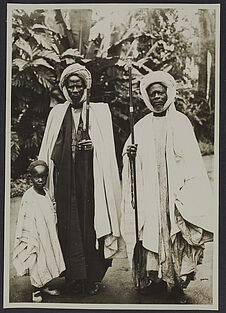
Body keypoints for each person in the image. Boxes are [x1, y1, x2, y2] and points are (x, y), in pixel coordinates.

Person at [120, 71, 214, 303]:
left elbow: (192, 161)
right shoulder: (140, 127)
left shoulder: (181, 122)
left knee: (176, 237)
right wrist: (129, 154)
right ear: (147, 97)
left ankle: (177, 286)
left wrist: (187, 191)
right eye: (153, 94)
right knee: (154, 237)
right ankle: (159, 280)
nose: (157, 98)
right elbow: (129, 159)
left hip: (176, 193)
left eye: (161, 93)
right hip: (151, 194)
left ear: (168, 94)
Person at [38, 63, 121, 295]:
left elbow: (107, 150)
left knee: (91, 227)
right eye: (71, 86)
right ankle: (73, 277)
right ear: (65, 88)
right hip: (64, 180)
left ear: (86, 88)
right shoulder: (56, 114)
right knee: (66, 226)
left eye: (79, 86)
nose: (75, 90)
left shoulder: (99, 112)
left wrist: (93, 146)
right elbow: (47, 148)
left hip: (90, 182)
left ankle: (92, 277)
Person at [13, 160, 65, 303]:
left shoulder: (46, 192)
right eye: (36, 177)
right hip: (35, 236)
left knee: (47, 259)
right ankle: (36, 290)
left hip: (47, 234)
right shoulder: (29, 197)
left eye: (43, 176)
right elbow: (26, 219)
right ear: (30, 178)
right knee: (37, 260)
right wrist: (32, 237)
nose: (40, 180)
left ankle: (45, 285)